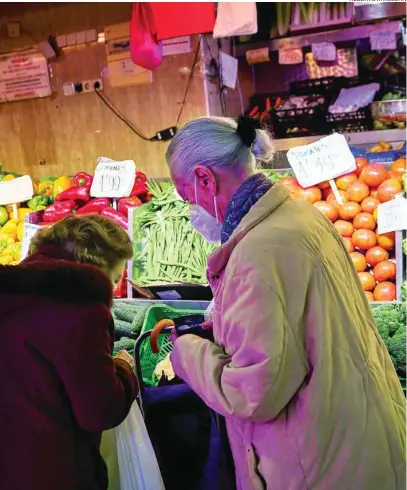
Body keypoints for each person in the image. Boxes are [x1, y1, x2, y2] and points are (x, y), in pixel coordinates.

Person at [165, 116, 406, 490]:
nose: (192, 210)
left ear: (204, 179)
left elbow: (253, 394)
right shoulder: (301, 214)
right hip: (359, 436)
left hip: (317, 464)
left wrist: (186, 351)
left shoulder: (255, 252)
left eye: (186, 197)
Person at [0, 214, 138, 490]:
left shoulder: (10, 293)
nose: (115, 284)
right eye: (115, 276)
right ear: (101, 266)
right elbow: (100, 411)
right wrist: (124, 369)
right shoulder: (82, 308)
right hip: (53, 470)